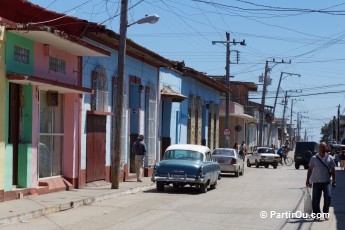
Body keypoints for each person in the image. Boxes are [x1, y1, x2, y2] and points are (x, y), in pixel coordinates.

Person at [306, 142, 336, 221]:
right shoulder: (314, 158)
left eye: (324, 147)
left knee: (328, 197)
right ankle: (317, 215)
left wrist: (334, 180)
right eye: (321, 147)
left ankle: (326, 213)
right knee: (315, 200)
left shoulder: (330, 158)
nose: (322, 149)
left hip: (326, 182)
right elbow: (310, 169)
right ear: (319, 148)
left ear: (326, 148)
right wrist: (308, 180)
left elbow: (333, 169)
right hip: (316, 182)